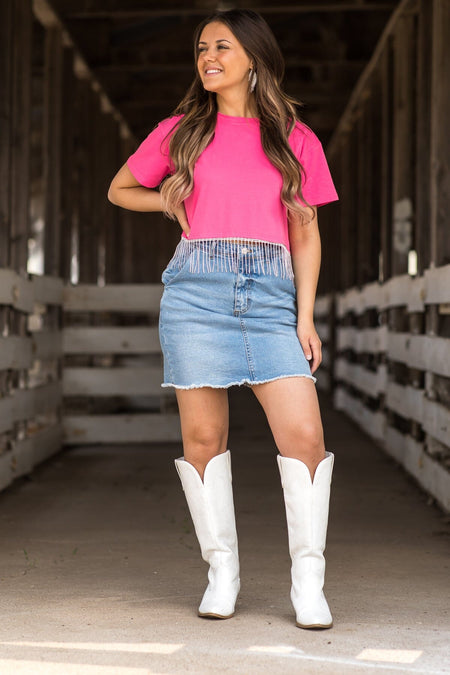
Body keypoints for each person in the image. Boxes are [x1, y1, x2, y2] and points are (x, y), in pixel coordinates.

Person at [108, 8, 339, 630]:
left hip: (270, 300)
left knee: (306, 439)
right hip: (195, 297)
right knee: (204, 442)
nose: (208, 56)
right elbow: (118, 189)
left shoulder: (295, 137)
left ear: (254, 59)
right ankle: (222, 572)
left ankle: (308, 583)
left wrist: (305, 317)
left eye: (223, 46)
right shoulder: (181, 131)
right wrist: (167, 199)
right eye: (202, 47)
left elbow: (307, 235)